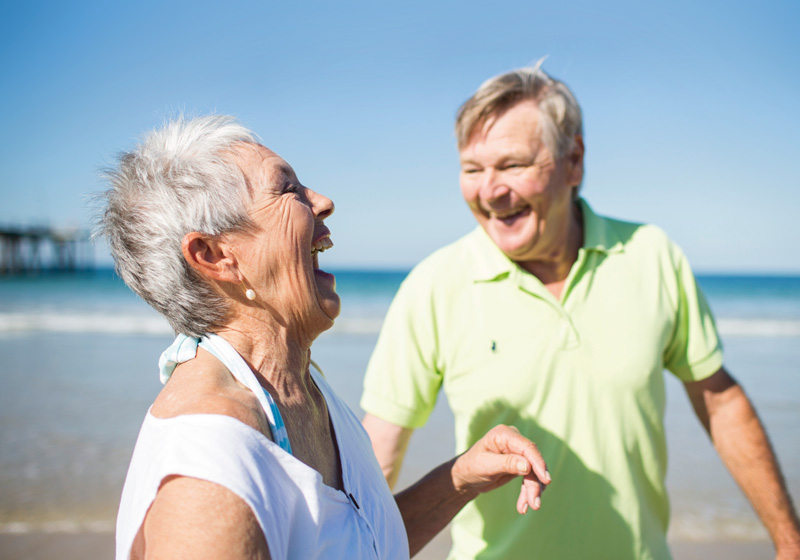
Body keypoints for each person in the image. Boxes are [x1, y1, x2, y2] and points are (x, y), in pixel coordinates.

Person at [360, 64, 800, 559]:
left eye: (512, 165)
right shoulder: (433, 284)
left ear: (574, 162)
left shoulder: (651, 254)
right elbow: (379, 452)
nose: (489, 191)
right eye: (472, 169)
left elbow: (720, 401)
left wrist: (789, 541)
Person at [98, 115, 552, 560]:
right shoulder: (212, 463)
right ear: (215, 255)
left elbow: (359, 544)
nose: (324, 200)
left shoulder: (297, 385)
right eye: (287, 189)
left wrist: (460, 477)